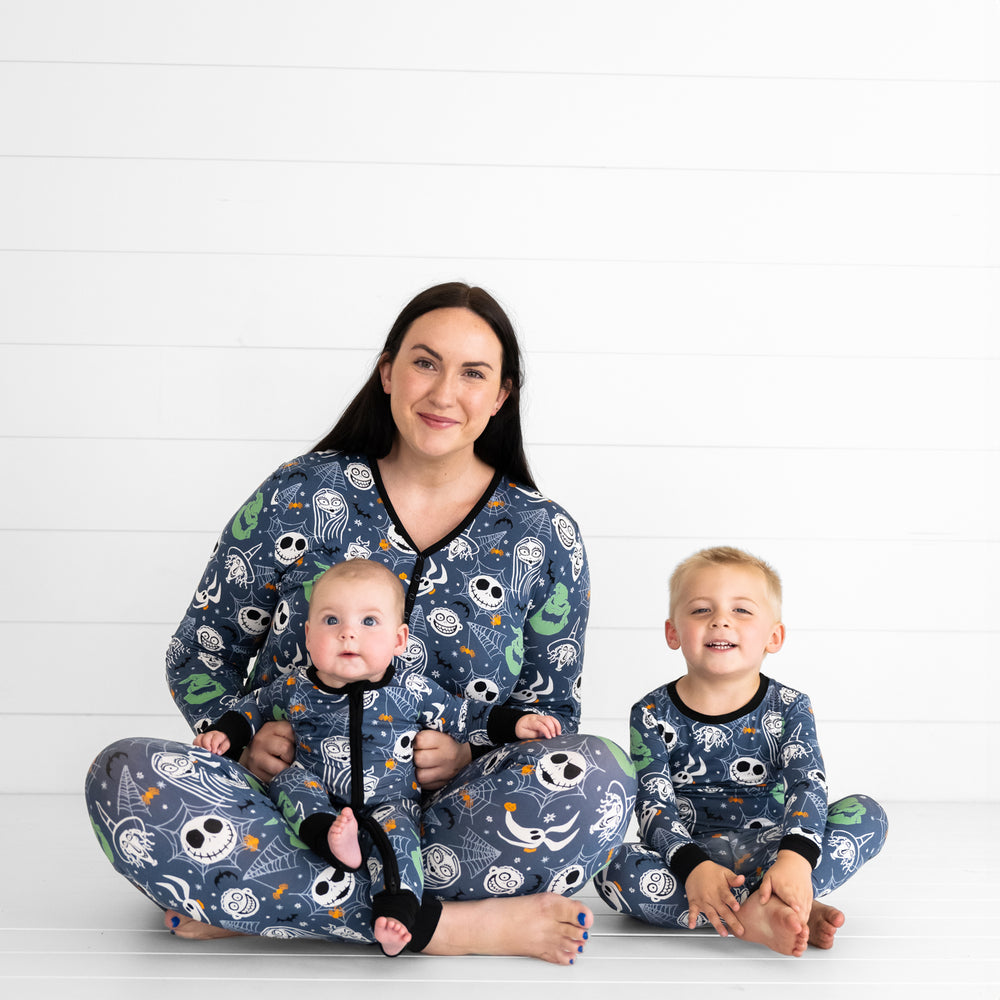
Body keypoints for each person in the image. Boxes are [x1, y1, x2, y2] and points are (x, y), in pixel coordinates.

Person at [85, 282, 636, 965]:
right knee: (121, 776)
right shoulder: (303, 492)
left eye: (473, 373)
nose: (443, 393)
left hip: (446, 823)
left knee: (605, 779)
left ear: (501, 396)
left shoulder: (544, 534)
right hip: (290, 813)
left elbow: (549, 710)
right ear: (387, 372)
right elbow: (203, 650)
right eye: (425, 363)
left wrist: (468, 756)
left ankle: (259, 903)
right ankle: (449, 926)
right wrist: (245, 739)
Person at [194, 559, 562, 956]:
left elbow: (467, 715)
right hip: (318, 791)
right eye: (331, 620)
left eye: (369, 622)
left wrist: (516, 724)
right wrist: (226, 734)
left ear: (399, 640)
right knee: (288, 783)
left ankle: (396, 915)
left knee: (400, 842)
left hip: (390, 799)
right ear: (308, 633)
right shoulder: (293, 688)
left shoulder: (413, 689)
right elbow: (252, 709)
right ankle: (327, 840)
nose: (348, 632)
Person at [594, 546, 887, 957]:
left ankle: (785, 895)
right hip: (692, 860)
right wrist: (694, 867)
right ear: (672, 632)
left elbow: (808, 784)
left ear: (774, 636)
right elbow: (653, 806)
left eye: (742, 611)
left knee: (868, 814)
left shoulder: (790, 706)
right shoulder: (650, 712)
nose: (720, 620)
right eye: (700, 610)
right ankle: (771, 910)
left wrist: (795, 860)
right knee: (613, 868)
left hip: (773, 848)